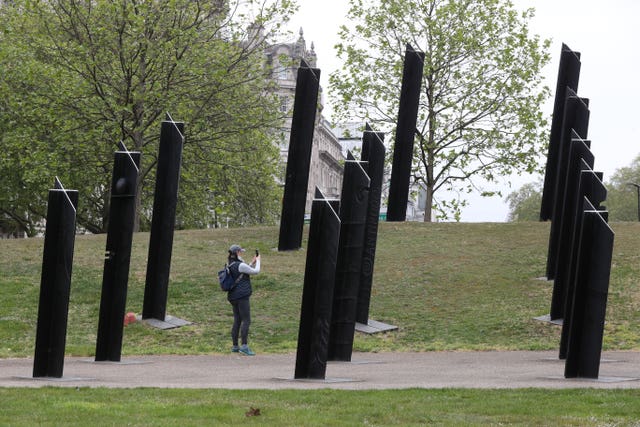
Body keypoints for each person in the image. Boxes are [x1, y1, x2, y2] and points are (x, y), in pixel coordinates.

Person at [227, 244, 261, 356]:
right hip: (242, 297)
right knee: (246, 320)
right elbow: (256, 271)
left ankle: (235, 346)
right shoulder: (240, 264)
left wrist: (252, 262)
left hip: (234, 297)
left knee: (237, 320)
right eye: (240, 252)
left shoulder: (231, 264)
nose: (241, 253)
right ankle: (244, 346)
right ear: (237, 252)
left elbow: (243, 271)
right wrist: (259, 261)